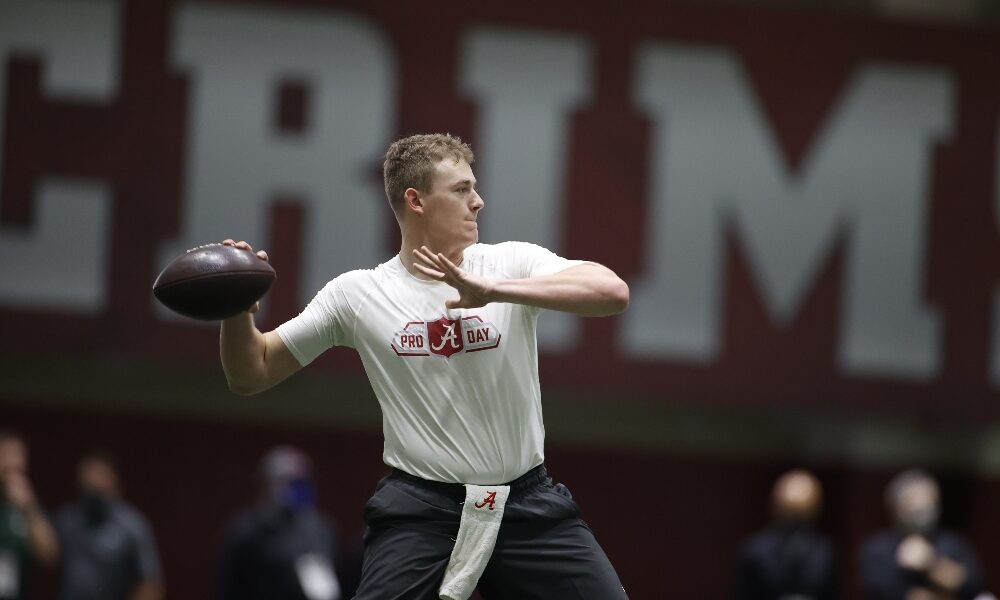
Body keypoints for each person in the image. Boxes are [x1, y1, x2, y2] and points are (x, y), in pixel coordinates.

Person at [220, 133, 630, 599]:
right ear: (415, 200)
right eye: (460, 190)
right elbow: (251, 373)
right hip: (421, 512)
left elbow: (611, 293)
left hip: (528, 506)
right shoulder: (357, 295)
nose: (478, 202)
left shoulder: (510, 263)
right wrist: (235, 309)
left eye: (473, 187)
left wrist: (494, 291)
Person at [217, 446, 348, 600]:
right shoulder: (246, 531)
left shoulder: (320, 530)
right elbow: (229, 587)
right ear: (266, 484)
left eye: (302, 482)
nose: (296, 490)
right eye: (288, 482)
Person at [859, 469, 984, 600]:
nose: (925, 507)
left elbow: (973, 586)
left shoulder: (953, 543)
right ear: (897, 508)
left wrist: (930, 563)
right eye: (915, 501)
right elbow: (877, 589)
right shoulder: (877, 548)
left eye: (931, 501)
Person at [54, 451, 163, 600]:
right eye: (88, 477)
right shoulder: (68, 519)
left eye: (100, 475)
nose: (94, 482)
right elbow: (47, 554)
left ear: (114, 481)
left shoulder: (132, 525)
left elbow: (150, 583)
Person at [733, 469, 836, 600]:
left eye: (802, 511)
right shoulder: (756, 552)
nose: (796, 518)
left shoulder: (824, 552)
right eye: (791, 511)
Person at [0, 430, 58, 600]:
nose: (15, 463)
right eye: (7, 455)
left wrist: (29, 507)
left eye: (20, 456)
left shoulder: (25, 506)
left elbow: (49, 555)